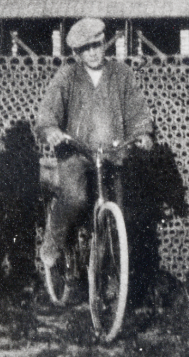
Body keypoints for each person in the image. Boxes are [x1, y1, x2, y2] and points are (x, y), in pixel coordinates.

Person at [35, 17, 154, 270]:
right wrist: (51, 129)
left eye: (97, 45)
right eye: (86, 48)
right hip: (76, 153)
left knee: (119, 214)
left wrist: (142, 132)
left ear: (105, 43)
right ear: (77, 52)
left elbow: (137, 109)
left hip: (112, 153)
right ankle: (53, 239)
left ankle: (110, 277)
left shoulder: (121, 74)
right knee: (75, 199)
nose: (93, 52)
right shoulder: (68, 75)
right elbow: (48, 110)